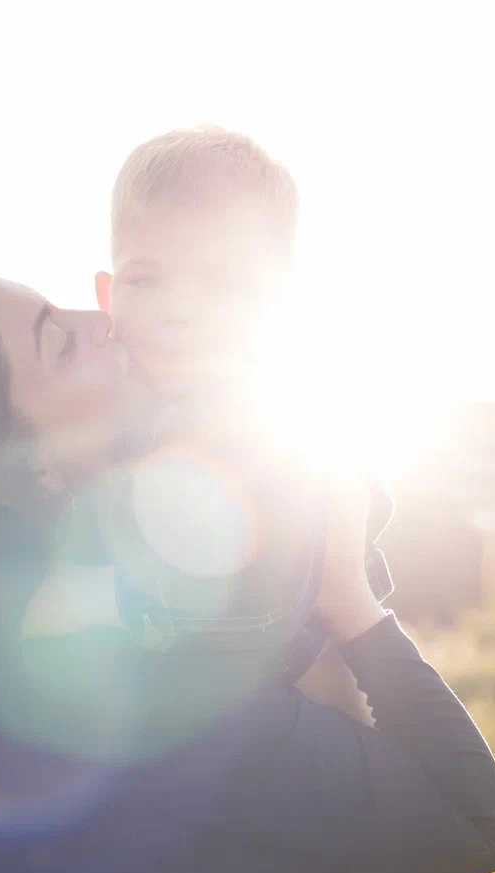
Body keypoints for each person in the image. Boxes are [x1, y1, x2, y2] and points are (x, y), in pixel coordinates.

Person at [0, 258, 495, 873]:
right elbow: (473, 821)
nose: (103, 320)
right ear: (24, 472)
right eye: (61, 345)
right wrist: (350, 601)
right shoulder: (125, 701)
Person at [93, 126, 390, 722]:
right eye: (145, 280)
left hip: (309, 714)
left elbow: (336, 586)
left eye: (219, 283)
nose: (178, 310)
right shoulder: (101, 437)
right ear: (106, 295)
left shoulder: (284, 442)